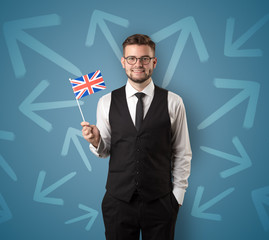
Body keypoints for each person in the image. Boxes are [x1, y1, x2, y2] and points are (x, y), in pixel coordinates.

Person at [81, 34, 192, 240]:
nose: (138, 64)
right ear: (123, 62)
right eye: (131, 58)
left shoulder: (173, 102)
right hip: (118, 202)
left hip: (160, 202)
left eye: (144, 58)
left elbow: (182, 152)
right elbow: (104, 152)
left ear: (154, 62)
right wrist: (96, 141)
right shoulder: (106, 102)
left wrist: (177, 197)